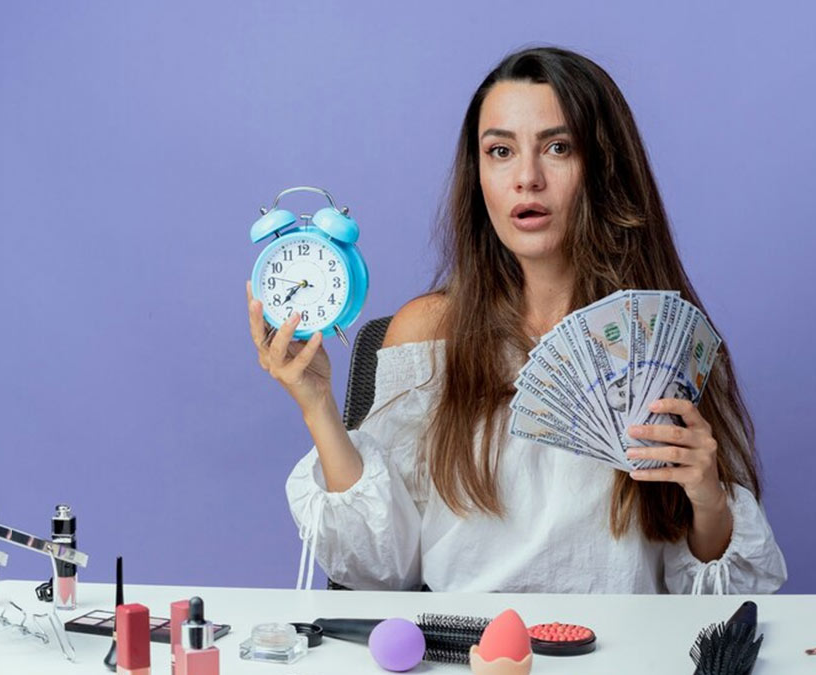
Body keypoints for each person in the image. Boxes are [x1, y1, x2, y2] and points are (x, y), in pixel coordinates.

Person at [247, 46, 787, 594]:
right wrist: (317, 404)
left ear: (603, 168)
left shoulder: (661, 341)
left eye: (558, 148)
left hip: (617, 640)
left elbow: (710, 598)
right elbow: (382, 566)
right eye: (500, 151)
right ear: (478, 176)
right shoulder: (430, 331)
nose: (527, 178)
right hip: (464, 639)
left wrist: (707, 497)